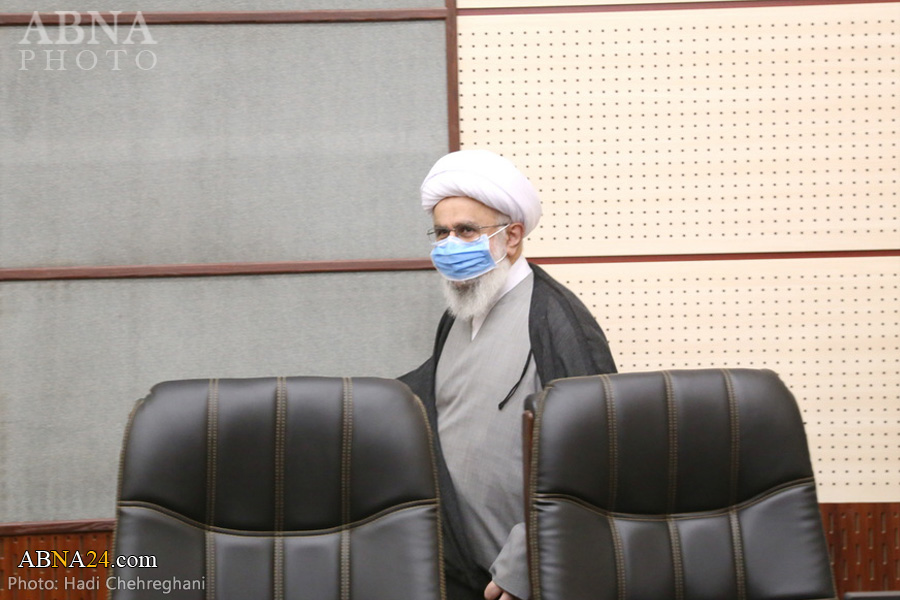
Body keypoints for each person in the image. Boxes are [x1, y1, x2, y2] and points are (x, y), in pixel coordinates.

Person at [399, 149, 617, 600]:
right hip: (459, 567)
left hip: (524, 580)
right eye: (441, 232)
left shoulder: (557, 322)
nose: (449, 245)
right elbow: (435, 392)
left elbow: (594, 457)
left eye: (466, 230)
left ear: (512, 236)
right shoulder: (459, 313)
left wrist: (527, 564)